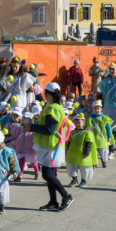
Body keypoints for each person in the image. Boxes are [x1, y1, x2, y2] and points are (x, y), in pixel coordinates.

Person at [28, 82, 74, 212]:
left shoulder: (52, 108)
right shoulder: (55, 107)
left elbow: (49, 129)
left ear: (48, 94)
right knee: (50, 175)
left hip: (51, 145)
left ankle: (66, 196)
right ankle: (53, 202)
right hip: (51, 145)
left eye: (45, 94)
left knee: (47, 175)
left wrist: (31, 127)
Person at [66, 112, 97, 188]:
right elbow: (69, 142)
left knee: (84, 168)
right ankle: (74, 179)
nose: (77, 124)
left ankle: (83, 180)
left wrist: (86, 153)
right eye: (75, 123)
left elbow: (89, 143)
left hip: (83, 154)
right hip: (73, 153)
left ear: (84, 123)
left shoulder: (87, 132)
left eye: (79, 123)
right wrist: (68, 150)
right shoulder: (72, 132)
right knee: (72, 166)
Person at [9, 111, 39, 181]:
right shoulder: (18, 127)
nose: (25, 120)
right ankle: (20, 175)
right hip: (21, 147)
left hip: (31, 148)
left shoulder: (33, 128)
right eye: (24, 118)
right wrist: (7, 139)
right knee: (21, 161)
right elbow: (13, 136)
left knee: (33, 162)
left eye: (28, 119)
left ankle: (37, 172)